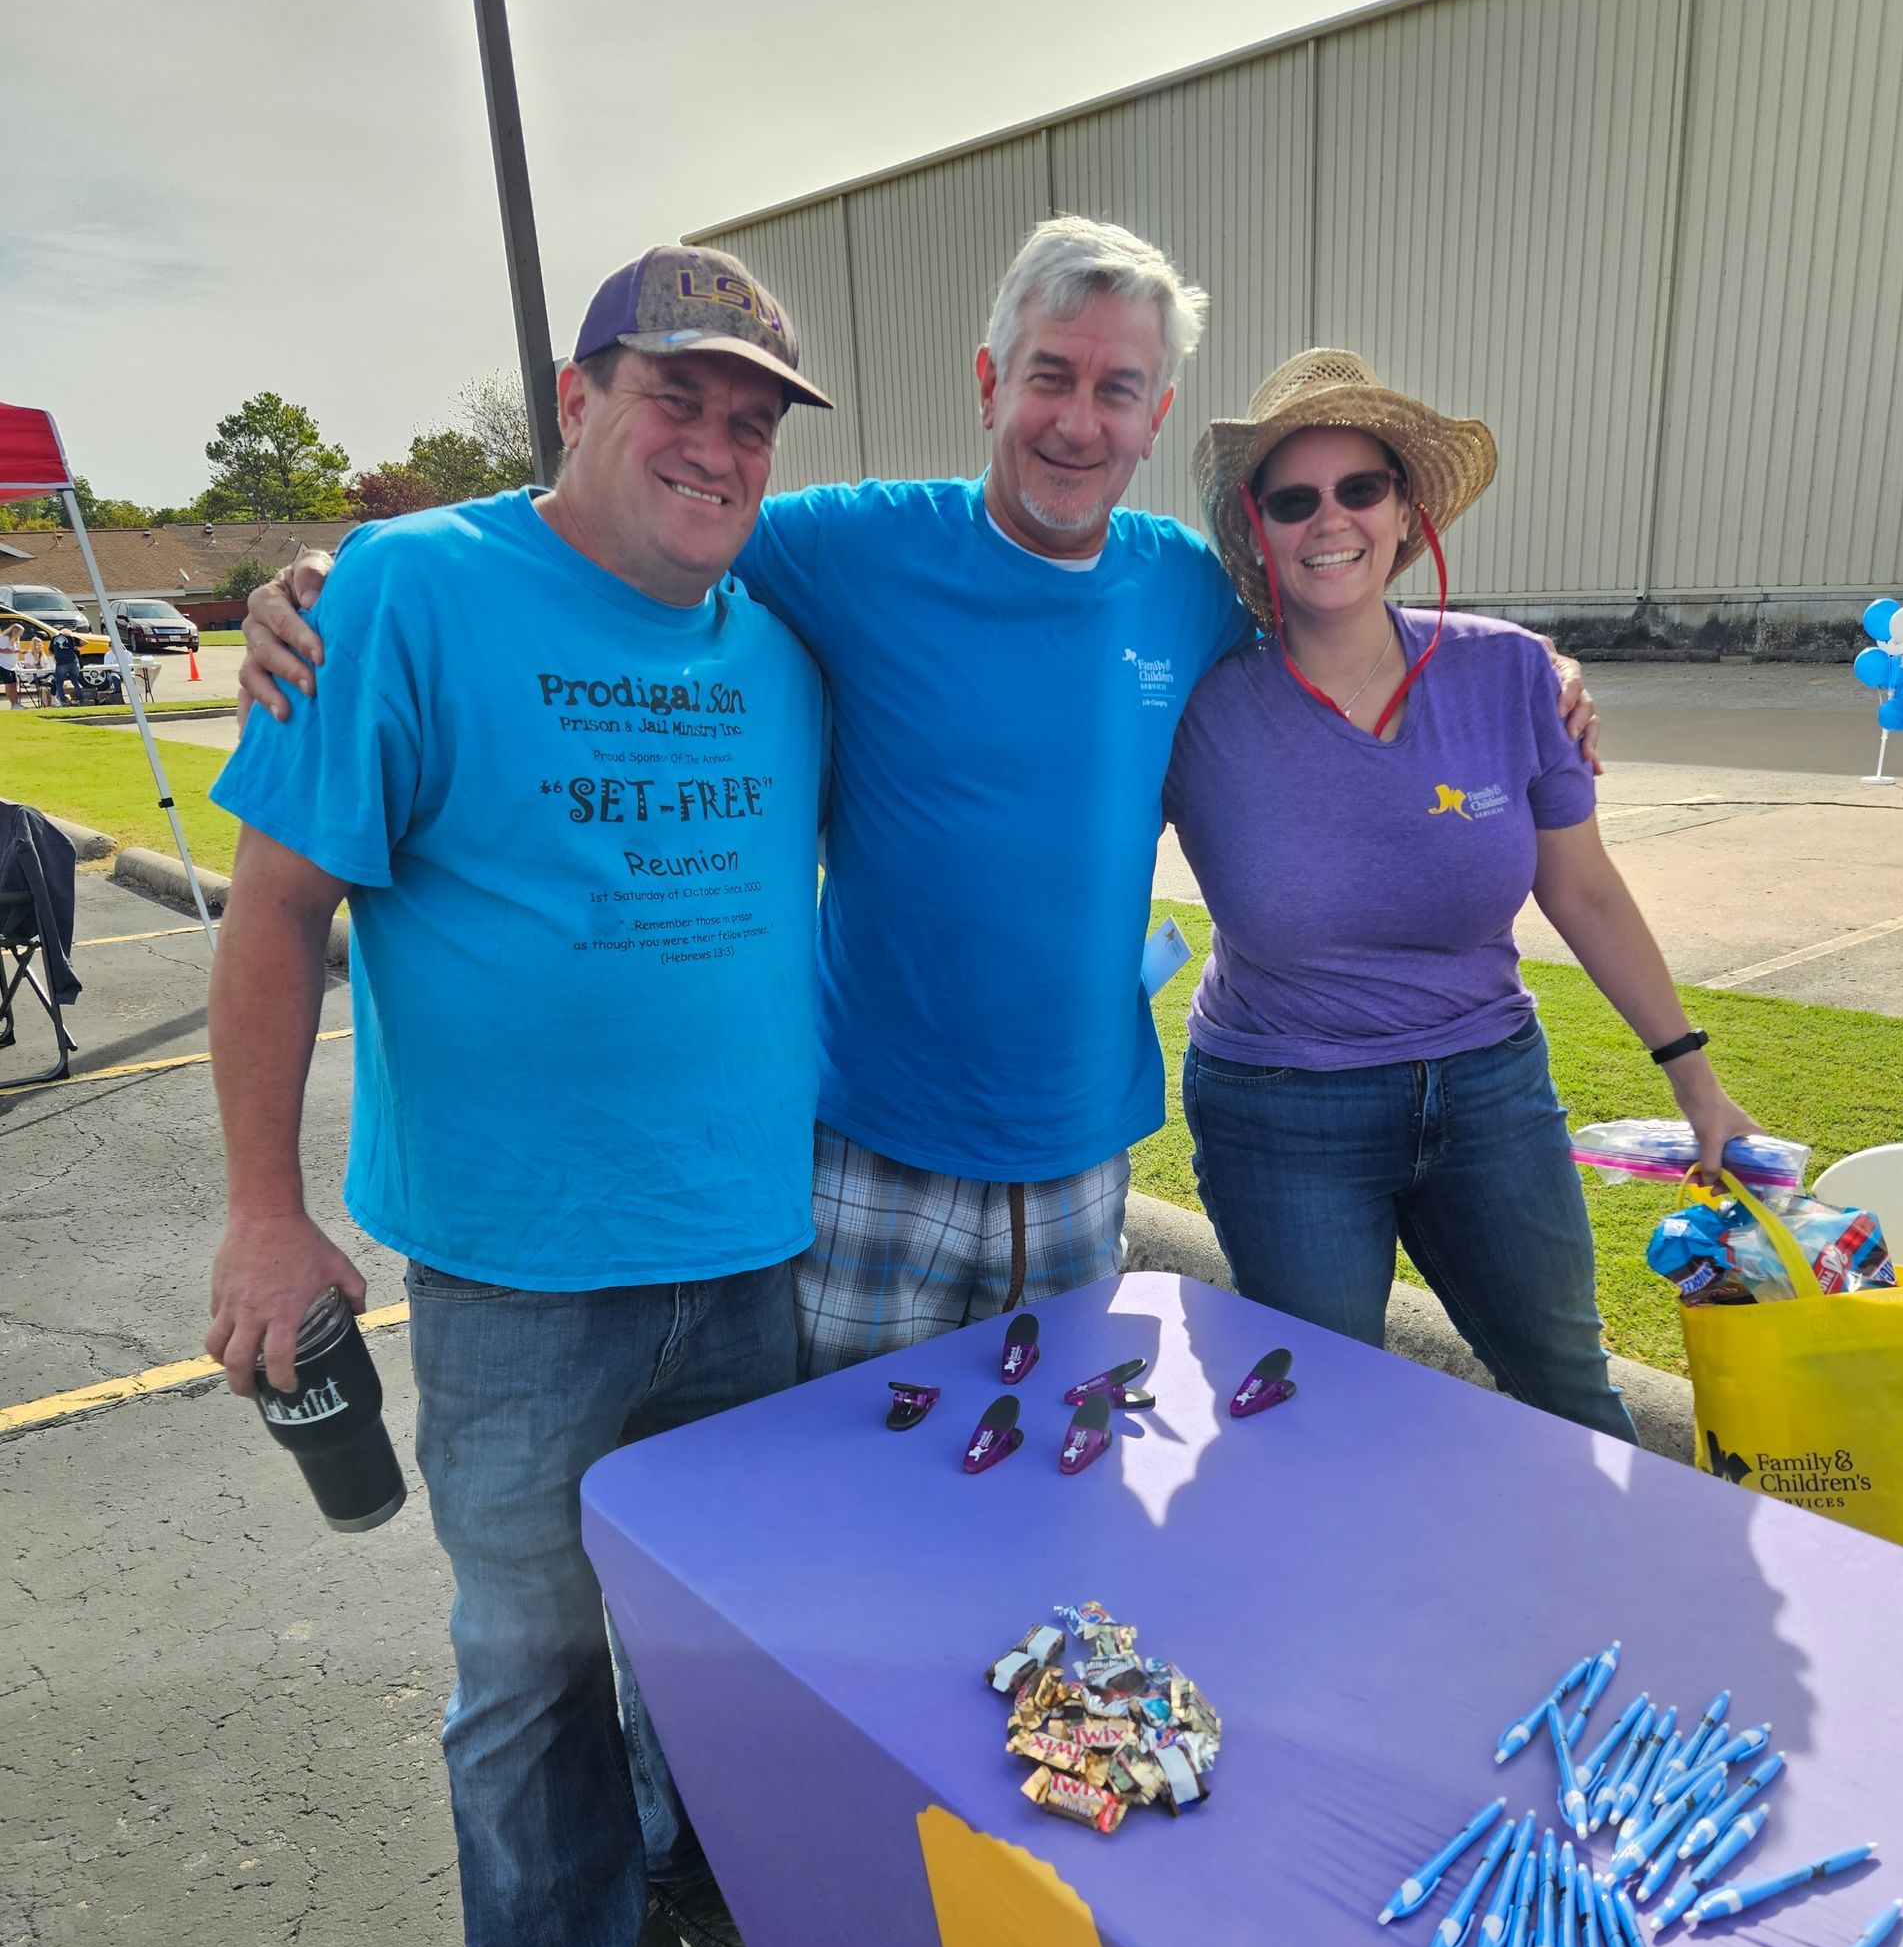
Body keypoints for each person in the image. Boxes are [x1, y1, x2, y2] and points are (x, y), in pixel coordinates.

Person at [238, 220, 1603, 1389]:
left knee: (1055, 1510)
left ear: (1156, 417)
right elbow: (613, 523)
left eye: (1118, 389)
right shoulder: (842, 543)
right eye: (1050, 377)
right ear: (988, 380)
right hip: (867, 1153)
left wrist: (1529, 671)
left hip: (1081, 1166)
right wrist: (332, 571)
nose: (1079, 420)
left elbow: (1343, 611)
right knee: (851, 1513)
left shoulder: (1188, 586)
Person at [206, 243, 834, 1947]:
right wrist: (265, 1215)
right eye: (683, 395)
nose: (719, 443)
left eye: (754, 418)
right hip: (517, 1284)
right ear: (577, 390)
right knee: (534, 1688)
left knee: (706, 1648)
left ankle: (681, 1870)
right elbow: (279, 913)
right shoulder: (405, 594)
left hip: (748, 1257)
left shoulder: (779, 635)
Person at [1171, 349, 1763, 1439]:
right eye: (1294, 499)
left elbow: (1582, 890)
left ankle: (1603, 1605)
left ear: (1409, 509)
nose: (1330, 520)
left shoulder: (1512, 675)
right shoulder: (1202, 707)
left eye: (1361, 488)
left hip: (1490, 1093)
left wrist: (1695, 1077)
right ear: (1259, 528)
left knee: (1568, 1395)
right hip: (1282, 1109)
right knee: (1319, 1418)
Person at [48, 628, 85, 705]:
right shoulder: (71, 638)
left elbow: (50, 651)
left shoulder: (54, 638)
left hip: (61, 663)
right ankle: (81, 699)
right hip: (73, 661)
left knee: (59, 683)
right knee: (75, 682)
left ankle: (63, 701)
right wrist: (74, 636)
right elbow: (84, 642)